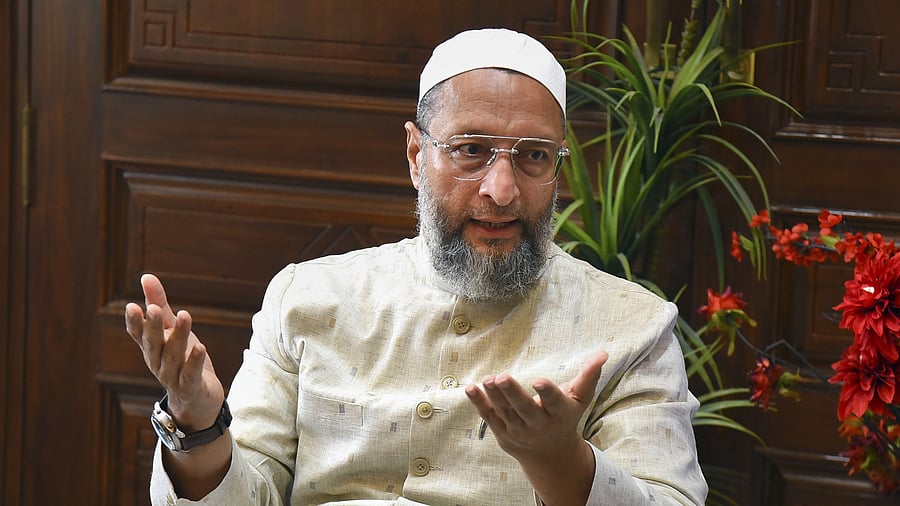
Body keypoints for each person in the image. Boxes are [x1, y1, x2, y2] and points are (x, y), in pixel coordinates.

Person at [124, 28, 708, 506]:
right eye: (471, 150)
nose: (502, 191)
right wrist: (199, 425)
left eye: (533, 157)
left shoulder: (633, 327)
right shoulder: (307, 298)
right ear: (415, 154)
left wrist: (562, 465)